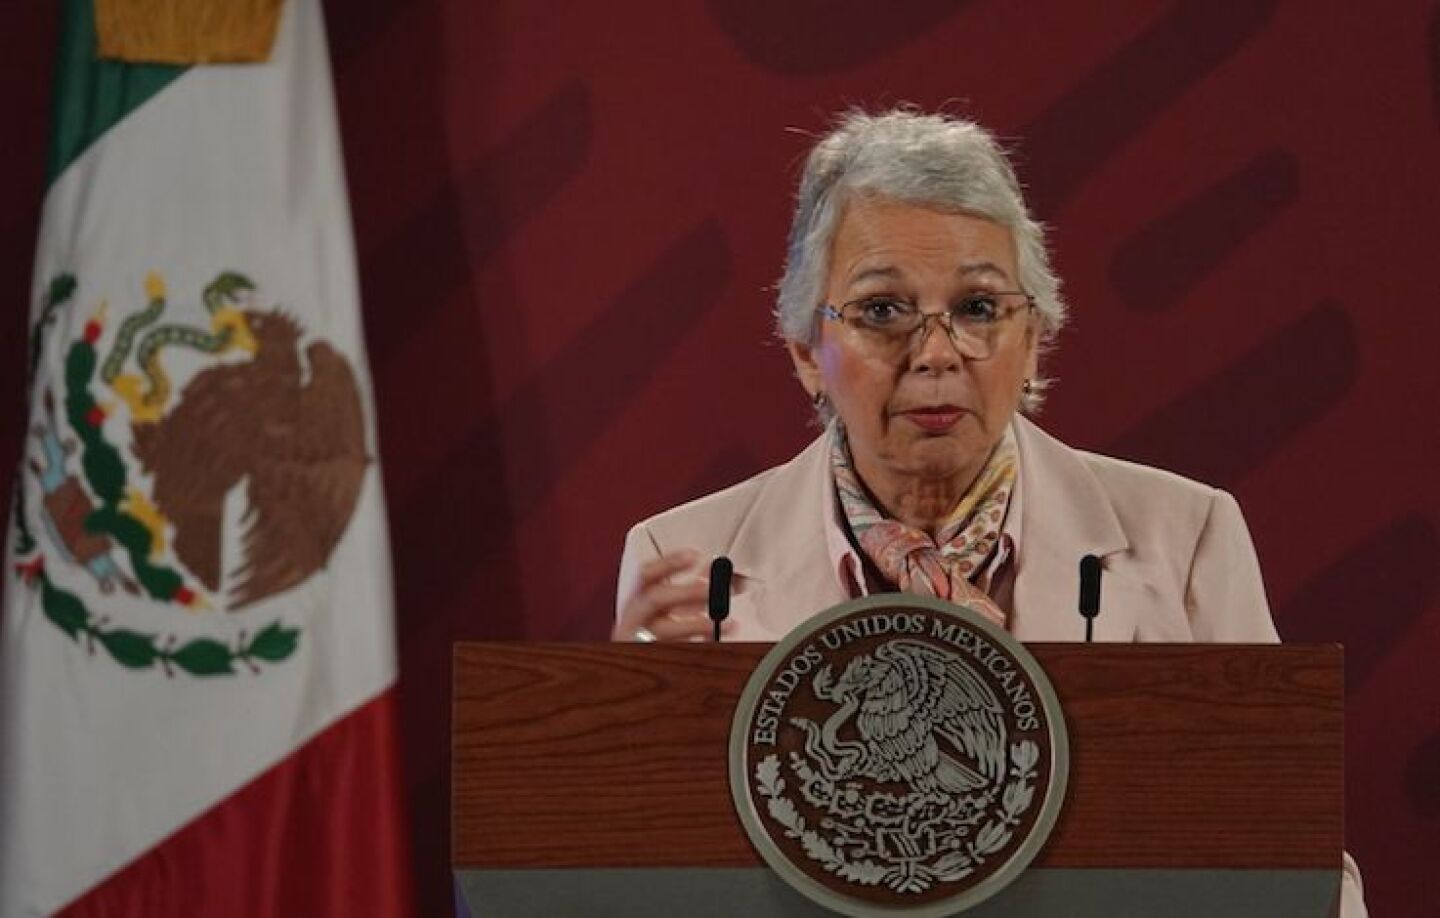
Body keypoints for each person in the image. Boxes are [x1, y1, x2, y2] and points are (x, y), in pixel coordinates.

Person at [612, 108, 1364, 915]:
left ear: (1033, 338)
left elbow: (1295, 858)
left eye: (977, 310)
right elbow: (613, 877)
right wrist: (624, 754)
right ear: (806, 354)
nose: (936, 354)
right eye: (882, 311)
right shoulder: (689, 559)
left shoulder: (1184, 539)